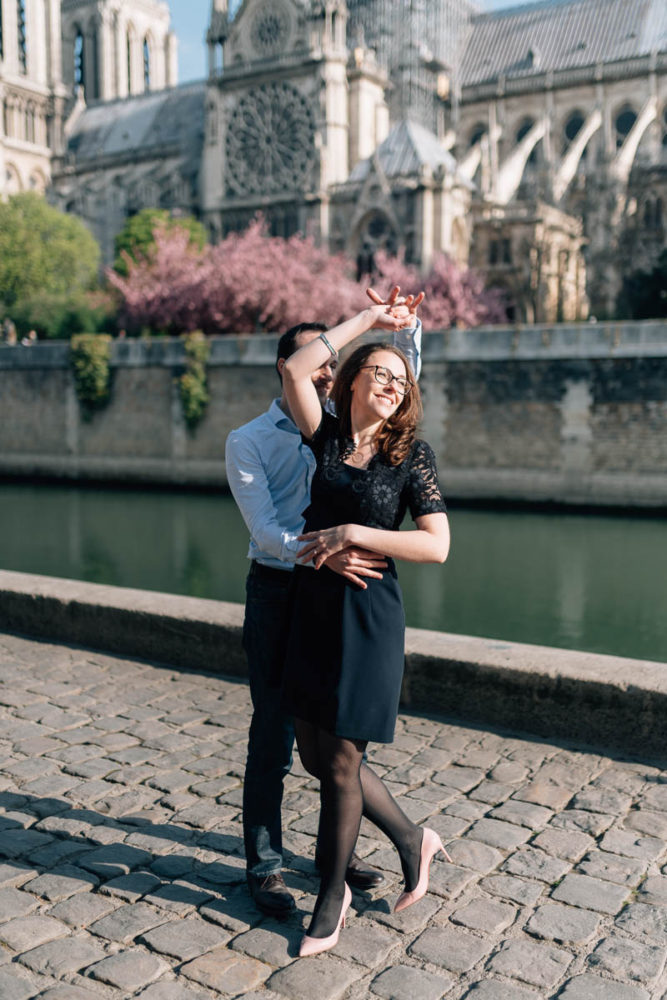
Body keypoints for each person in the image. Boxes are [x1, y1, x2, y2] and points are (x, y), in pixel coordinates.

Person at [225, 291, 423, 917]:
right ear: (297, 364)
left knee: (331, 739)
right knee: (275, 734)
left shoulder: (345, 431)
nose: (329, 374)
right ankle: (264, 863)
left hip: (331, 594)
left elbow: (400, 382)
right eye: (321, 364)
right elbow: (263, 533)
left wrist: (401, 328)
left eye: (335, 367)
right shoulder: (250, 439)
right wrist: (319, 551)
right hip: (280, 585)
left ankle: (332, 856)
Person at [280, 299, 451, 956]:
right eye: (377, 372)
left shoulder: (410, 455)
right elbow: (298, 367)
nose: (389, 383)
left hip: (370, 616)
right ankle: (412, 839)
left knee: (345, 761)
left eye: (399, 379)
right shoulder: (323, 434)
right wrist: (369, 320)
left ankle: (331, 893)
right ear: (350, 380)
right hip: (313, 609)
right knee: (316, 757)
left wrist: (356, 532)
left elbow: (436, 545)